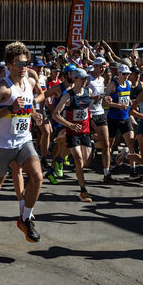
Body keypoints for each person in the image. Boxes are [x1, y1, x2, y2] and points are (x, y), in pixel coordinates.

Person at [0, 42, 45, 243]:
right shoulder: (2, 87)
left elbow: (29, 106)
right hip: (2, 145)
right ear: (8, 64)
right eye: (19, 63)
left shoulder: (30, 83)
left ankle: (25, 218)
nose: (24, 67)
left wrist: (34, 115)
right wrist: (10, 109)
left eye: (26, 63)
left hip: (24, 141)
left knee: (37, 176)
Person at [51, 66, 95, 202]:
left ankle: (60, 156)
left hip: (85, 132)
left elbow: (89, 106)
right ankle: (83, 190)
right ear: (75, 79)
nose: (85, 81)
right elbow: (55, 114)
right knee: (78, 160)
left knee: (86, 162)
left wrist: (105, 102)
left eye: (86, 79)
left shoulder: (89, 91)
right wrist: (70, 125)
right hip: (72, 132)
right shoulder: (68, 95)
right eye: (82, 79)